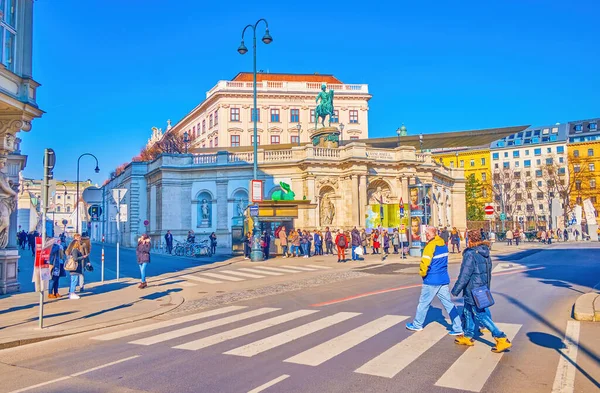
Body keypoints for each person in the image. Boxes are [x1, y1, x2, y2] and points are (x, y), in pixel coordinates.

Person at [452, 230, 513, 353]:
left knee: (480, 314)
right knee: (467, 309)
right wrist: (486, 287)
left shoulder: (470, 254)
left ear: (470, 240)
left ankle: (500, 337)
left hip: (472, 288)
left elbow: (465, 273)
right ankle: (468, 335)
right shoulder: (484, 251)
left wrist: (456, 289)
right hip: (480, 287)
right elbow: (488, 272)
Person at [406, 227, 463, 336]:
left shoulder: (430, 246)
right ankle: (457, 327)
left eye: (426, 233)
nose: (425, 235)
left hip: (431, 279)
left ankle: (417, 324)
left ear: (428, 234)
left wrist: (423, 274)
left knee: (423, 303)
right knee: (448, 304)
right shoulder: (443, 245)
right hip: (443, 278)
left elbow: (424, 263)